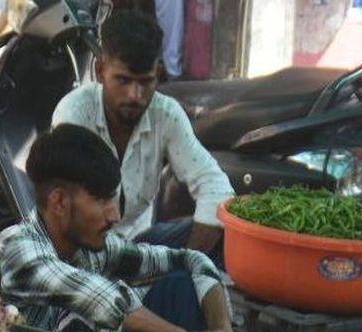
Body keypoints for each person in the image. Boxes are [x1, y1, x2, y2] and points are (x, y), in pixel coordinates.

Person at [0, 123, 234, 332]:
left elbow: (190, 259)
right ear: (59, 202)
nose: (114, 215)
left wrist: (221, 328)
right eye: (102, 201)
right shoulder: (20, 250)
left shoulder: (89, 246)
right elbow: (102, 301)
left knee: (179, 287)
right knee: (84, 320)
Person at [52, 9, 232, 263]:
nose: (134, 96)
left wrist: (190, 262)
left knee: (226, 231)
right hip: (82, 254)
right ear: (100, 69)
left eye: (145, 82)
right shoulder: (75, 113)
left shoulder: (166, 114)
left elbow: (215, 187)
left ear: (158, 74)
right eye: (123, 81)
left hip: (139, 247)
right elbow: (69, 211)